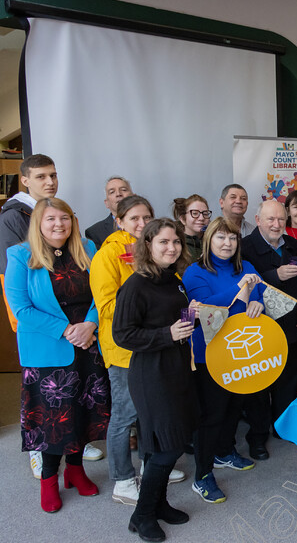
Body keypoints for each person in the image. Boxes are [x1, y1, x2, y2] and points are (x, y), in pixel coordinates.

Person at [6, 197, 105, 513]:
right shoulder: (20, 256)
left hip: (87, 345)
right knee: (53, 422)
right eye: (51, 219)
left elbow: (103, 293)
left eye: (65, 217)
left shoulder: (87, 249)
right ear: (38, 223)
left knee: (84, 413)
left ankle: (75, 471)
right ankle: (49, 481)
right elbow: (22, 309)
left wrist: (90, 324)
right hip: (49, 350)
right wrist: (67, 330)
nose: (59, 224)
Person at [92, 195, 182, 506]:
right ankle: (122, 478)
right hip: (124, 352)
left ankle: (151, 466)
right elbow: (108, 308)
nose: (141, 223)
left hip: (158, 352)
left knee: (150, 416)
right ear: (118, 221)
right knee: (125, 415)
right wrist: (147, 303)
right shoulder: (107, 256)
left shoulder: (164, 263)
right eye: (134, 219)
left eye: (146, 217)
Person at [112, 219, 198, 540]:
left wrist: (191, 315)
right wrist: (167, 333)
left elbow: (175, 322)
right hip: (151, 375)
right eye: (163, 242)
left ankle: (159, 503)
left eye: (175, 242)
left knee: (163, 445)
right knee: (166, 446)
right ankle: (142, 514)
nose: (171, 248)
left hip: (175, 369)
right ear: (148, 245)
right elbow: (122, 334)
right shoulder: (136, 285)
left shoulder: (173, 279)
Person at [183, 217, 266, 504]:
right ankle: (202, 475)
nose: (227, 243)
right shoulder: (195, 273)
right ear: (209, 241)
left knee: (234, 407)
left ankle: (224, 452)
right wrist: (240, 289)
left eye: (232, 238)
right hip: (208, 354)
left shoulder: (247, 268)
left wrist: (258, 302)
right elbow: (207, 308)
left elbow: (261, 293)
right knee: (211, 414)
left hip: (240, 353)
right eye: (220, 238)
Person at [241, 200, 297, 453]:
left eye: (281, 219)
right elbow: (241, 283)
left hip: (291, 324)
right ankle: (257, 437)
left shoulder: (292, 244)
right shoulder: (244, 247)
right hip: (259, 327)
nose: (276, 224)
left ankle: (281, 427)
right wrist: (273, 276)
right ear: (258, 220)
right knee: (259, 385)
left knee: (288, 380)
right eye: (270, 219)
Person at [85, 176, 133, 249]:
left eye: (123, 190)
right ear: (106, 203)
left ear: (134, 197)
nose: (118, 194)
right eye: (112, 192)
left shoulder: (149, 224)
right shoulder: (94, 232)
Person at [173, 194, 212, 262]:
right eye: (195, 213)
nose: (201, 218)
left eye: (205, 214)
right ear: (183, 219)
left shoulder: (213, 241)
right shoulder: (176, 244)